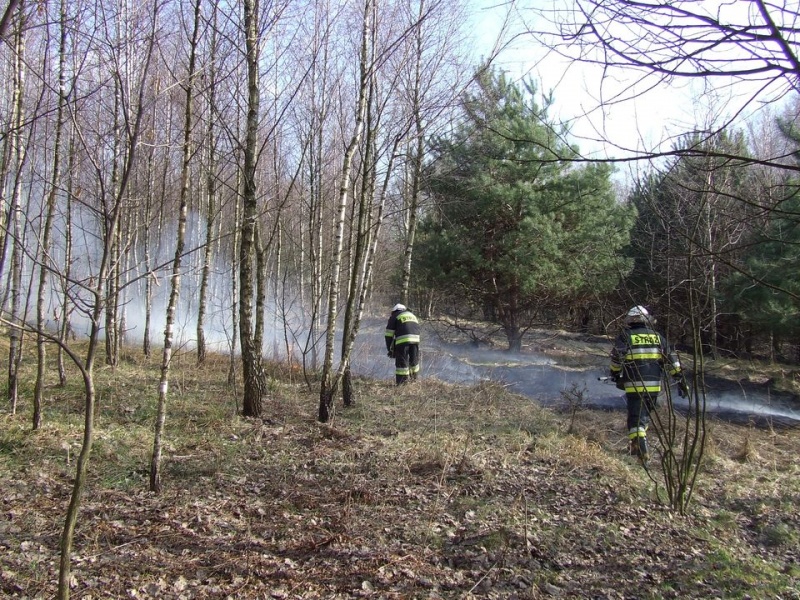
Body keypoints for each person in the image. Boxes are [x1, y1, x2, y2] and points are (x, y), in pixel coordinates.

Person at [609, 305, 687, 463]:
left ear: (629, 320)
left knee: (635, 420)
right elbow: (672, 361)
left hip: (634, 385)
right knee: (643, 417)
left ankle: (642, 452)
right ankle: (634, 447)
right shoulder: (658, 337)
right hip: (654, 387)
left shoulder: (626, 336)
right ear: (647, 320)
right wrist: (681, 381)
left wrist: (615, 374)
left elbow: (617, 358)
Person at [385, 303, 420, 385]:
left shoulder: (395, 316)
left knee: (402, 361)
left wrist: (390, 350)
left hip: (403, 340)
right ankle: (414, 380)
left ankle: (402, 383)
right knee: (414, 360)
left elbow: (388, 334)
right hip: (416, 339)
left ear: (394, 311)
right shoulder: (412, 315)